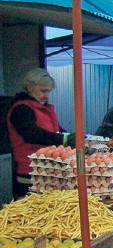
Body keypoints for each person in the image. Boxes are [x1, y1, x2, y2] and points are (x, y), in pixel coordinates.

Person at [6, 68, 75, 199]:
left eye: (48, 91)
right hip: (29, 171)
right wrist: (64, 139)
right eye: (43, 91)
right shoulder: (21, 109)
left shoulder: (44, 110)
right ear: (30, 87)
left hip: (48, 171)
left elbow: (56, 131)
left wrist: (71, 137)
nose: (46, 95)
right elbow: (33, 134)